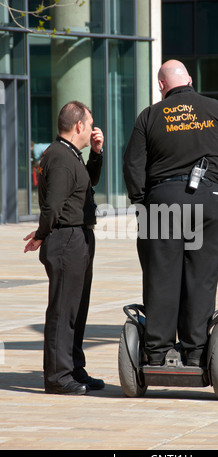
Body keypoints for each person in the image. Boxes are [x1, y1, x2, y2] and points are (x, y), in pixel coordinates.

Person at [123, 60, 218, 367]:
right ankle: (195, 352)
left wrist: (142, 206)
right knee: (201, 279)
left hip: (163, 202)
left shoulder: (149, 116)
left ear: (161, 86)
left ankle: (156, 352)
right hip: (209, 200)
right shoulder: (217, 109)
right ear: (189, 79)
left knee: (161, 278)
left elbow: (133, 166)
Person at [24, 101, 105, 395]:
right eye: (91, 123)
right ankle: (58, 377)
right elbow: (53, 204)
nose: (94, 128)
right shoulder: (60, 156)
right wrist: (43, 234)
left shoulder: (70, 154)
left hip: (77, 238)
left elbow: (87, 182)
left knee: (76, 310)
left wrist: (96, 154)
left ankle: (73, 368)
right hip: (66, 239)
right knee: (63, 311)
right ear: (78, 126)